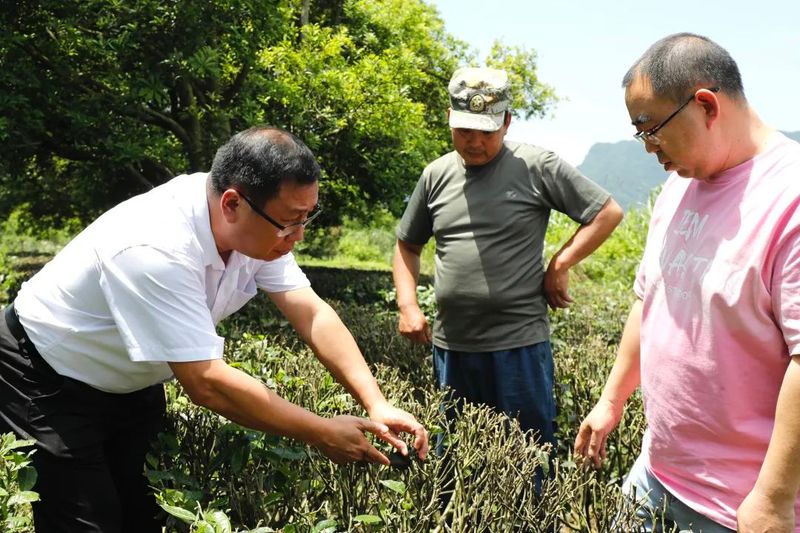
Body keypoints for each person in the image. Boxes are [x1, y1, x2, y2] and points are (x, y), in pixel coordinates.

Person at [0, 126, 429, 533]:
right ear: (231, 203)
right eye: (290, 221)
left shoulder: (259, 224)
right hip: (46, 374)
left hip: (130, 380)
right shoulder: (154, 246)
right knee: (86, 521)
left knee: (144, 512)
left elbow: (311, 312)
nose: (298, 236)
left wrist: (376, 402)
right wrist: (319, 431)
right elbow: (206, 382)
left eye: (306, 218)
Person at [574, 33, 800, 533]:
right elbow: (648, 301)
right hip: (653, 477)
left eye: (652, 130)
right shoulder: (679, 188)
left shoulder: (790, 199)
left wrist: (772, 500)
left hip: (739, 508)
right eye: (641, 135)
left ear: (705, 106)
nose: (650, 148)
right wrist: (612, 401)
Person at [393, 66, 623, 452]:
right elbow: (407, 246)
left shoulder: (537, 166)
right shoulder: (435, 175)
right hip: (453, 350)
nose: (474, 142)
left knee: (528, 459)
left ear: (507, 122)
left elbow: (606, 212)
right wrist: (407, 304)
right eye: (465, 130)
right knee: (456, 462)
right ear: (449, 118)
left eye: (487, 131)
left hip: (518, 349)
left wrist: (560, 263)